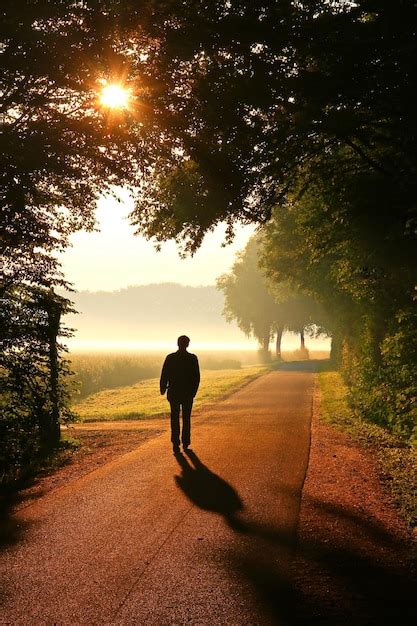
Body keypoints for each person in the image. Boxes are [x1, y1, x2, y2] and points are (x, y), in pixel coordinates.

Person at [160, 335, 200, 454]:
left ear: (178, 344)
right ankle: (186, 442)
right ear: (187, 344)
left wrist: (163, 388)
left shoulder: (171, 357)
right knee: (186, 418)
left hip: (174, 392)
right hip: (187, 393)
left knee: (175, 418)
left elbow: (164, 374)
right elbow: (196, 377)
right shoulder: (192, 358)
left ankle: (175, 442)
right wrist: (193, 392)